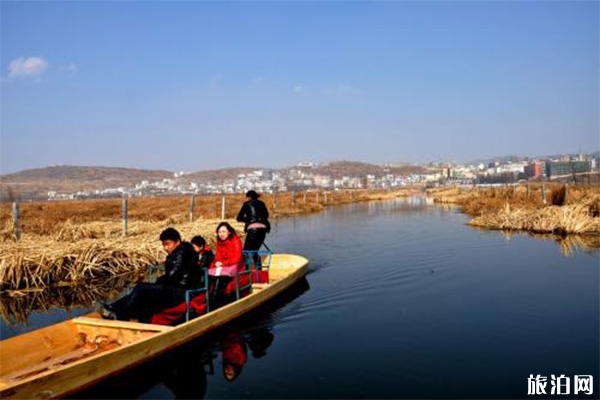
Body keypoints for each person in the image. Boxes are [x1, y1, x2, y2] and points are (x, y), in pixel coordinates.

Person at [101, 227, 200, 322]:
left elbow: (174, 276)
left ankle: (122, 313)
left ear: (177, 242)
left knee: (142, 288)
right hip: (176, 288)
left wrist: (157, 285)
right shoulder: (179, 252)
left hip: (182, 292)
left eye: (167, 244)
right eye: (163, 245)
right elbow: (172, 276)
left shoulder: (182, 253)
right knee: (142, 288)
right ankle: (116, 308)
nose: (165, 248)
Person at [209, 222, 244, 307]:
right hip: (224, 268)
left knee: (223, 281)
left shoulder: (236, 241)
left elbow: (237, 258)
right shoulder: (219, 243)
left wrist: (223, 263)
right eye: (220, 232)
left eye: (224, 232)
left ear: (229, 232)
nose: (221, 234)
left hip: (236, 267)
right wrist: (216, 262)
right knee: (211, 277)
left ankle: (220, 302)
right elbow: (218, 256)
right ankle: (211, 300)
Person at [236, 190, 270, 267]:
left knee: (246, 251)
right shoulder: (262, 203)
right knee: (255, 251)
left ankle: (247, 271)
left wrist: (248, 220)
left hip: (252, 230)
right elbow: (266, 215)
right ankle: (259, 269)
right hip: (263, 229)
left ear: (249, 197)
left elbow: (239, 218)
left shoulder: (246, 204)